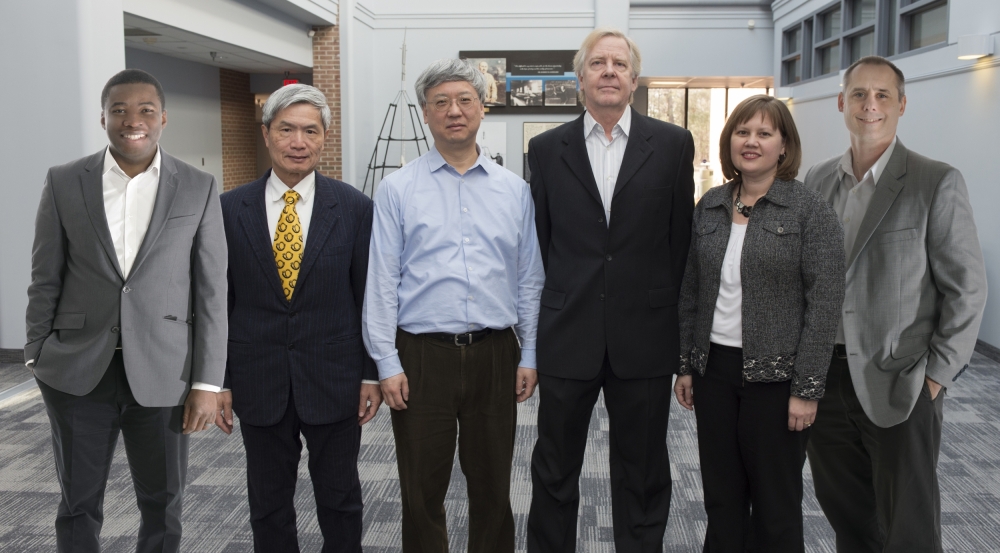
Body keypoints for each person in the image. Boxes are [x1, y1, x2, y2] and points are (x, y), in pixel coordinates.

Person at [24, 68, 228, 552]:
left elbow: (212, 290)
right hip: (76, 371)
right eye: (119, 110)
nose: (131, 120)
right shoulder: (65, 180)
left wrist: (207, 383)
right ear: (102, 117)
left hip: (164, 372)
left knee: (164, 502)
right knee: (78, 502)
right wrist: (36, 352)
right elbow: (44, 275)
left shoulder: (197, 185)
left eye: (144, 110)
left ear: (163, 118)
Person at [804, 56, 987, 553]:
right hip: (826, 381)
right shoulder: (816, 182)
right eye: (859, 94)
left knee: (907, 526)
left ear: (902, 105)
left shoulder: (935, 181)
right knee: (848, 517)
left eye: (883, 95)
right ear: (842, 103)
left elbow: (967, 290)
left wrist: (936, 377)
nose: (870, 105)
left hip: (901, 382)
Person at [362, 59, 544, 552]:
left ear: (483, 108)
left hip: (494, 355)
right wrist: (386, 362)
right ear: (425, 114)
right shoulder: (398, 190)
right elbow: (380, 282)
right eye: (441, 102)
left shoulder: (515, 191)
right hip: (421, 357)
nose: (454, 111)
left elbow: (529, 279)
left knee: (493, 487)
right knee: (421, 489)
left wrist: (529, 355)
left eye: (465, 100)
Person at [525, 28, 695, 552]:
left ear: (634, 79)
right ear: (580, 79)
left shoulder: (671, 144)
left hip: (644, 336)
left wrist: (684, 346)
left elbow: (680, 246)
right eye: (598, 63)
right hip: (566, 331)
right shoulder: (546, 149)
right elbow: (543, 243)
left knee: (642, 472)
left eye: (619, 64)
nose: (609, 72)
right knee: (554, 471)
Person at [673, 95, 845, 552]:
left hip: (778, 381)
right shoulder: (709, 204)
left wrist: (806, 389)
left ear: (784, 146)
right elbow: (691, 291)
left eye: (764, 133)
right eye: (742, 132)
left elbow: (825, 303)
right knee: (722, 499)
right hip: (715, 374)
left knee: (776, 503)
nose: (751, 142)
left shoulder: (809, 210)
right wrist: (686, 364)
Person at [216, 84, 380, 552]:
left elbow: (368, 296)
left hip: (335, 377)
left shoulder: (353, 207)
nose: (298, 141)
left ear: (324, 138)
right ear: (267, 133)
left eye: (310, 130)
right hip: (257, 377)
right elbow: (217, 303)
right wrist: (219, 380)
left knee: (341, 498)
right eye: (286, 129)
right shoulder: (229, 209)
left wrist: (370, 374)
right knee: (267, 503)